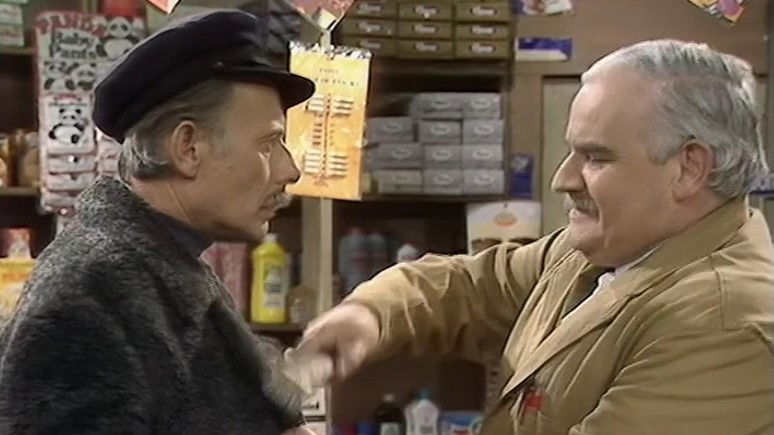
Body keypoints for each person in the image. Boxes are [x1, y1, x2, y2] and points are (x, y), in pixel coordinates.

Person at [298, 40, 774, 434]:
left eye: (596, 158)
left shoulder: (727, 323)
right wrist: (368, 316)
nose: (562, 179)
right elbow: (469, 287)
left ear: (689, 168)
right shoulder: (599, 252)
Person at [0, 11, 317, 434]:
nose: (290, 170)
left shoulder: (164, 266)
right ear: (188, 147)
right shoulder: (89, 294)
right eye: (268, 144)